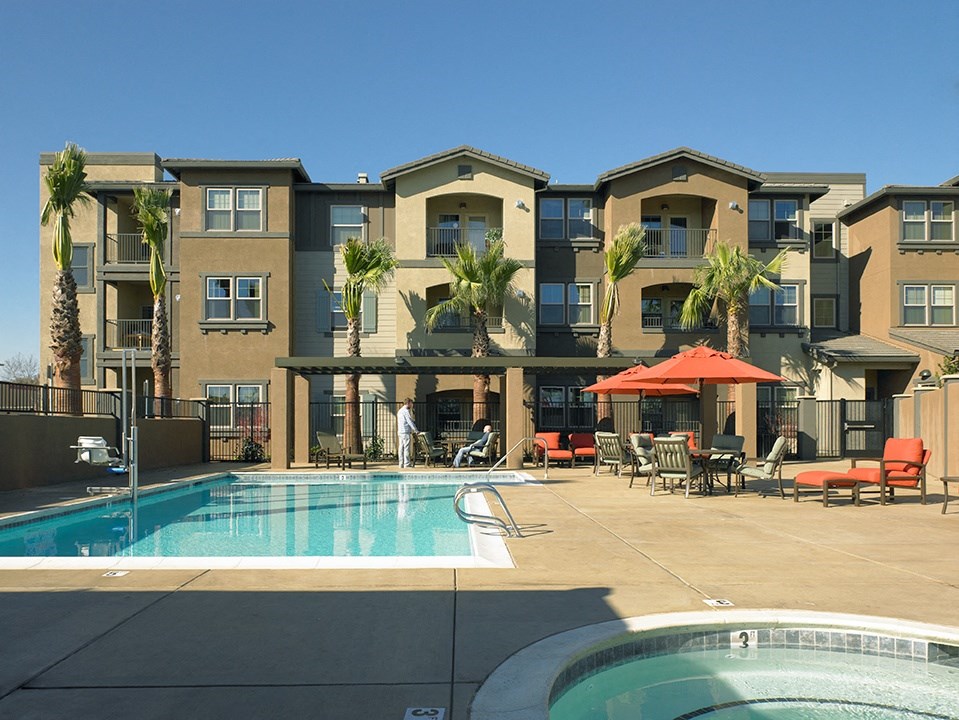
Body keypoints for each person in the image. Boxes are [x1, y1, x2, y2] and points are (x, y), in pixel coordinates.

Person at [397, 398, 418, 468]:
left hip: (400, 432)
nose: (412, 405)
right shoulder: (405, 411)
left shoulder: (399, 411)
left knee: (401, 448)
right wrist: (416, 430)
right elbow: (410, 422)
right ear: (408, 403)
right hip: (405, 432)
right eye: (411, 404)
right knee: (406, 448)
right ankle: (407, 464)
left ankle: (401, 463)